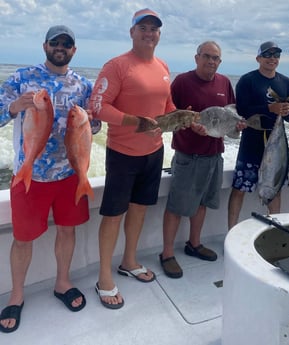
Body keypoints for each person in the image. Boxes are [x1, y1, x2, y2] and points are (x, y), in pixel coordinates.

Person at [0, 25, 95, 333]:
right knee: (23, 238)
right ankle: (16, 295)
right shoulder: (22, 77)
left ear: (74, 50)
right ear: (45, 45)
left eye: (67, 44)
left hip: (69, 174)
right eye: (55, 42)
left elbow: (94, 129)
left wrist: (91, 123)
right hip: (31, 175)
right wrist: (15, 106)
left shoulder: (83, 85)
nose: (61, 47)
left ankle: (62, 283)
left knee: (67, 232)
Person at [90, 8, 177, 308]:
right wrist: (133, 122)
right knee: (113, 215)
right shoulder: (116, 66)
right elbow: (98, 106)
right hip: (123, 154)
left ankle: (129, 261)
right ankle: (104, 276)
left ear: (159, 34)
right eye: (143, 27)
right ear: (132, 32)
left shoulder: (163, 65)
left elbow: (166, 105)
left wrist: (185, 118)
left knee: (139, 210)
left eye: (154, 28)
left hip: (154, 153)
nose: (149, 33)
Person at [159, 41, 239, 278]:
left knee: (202, 203)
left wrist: (238, 125)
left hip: (214, 154)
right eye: (207, 56)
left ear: (220, 62)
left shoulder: (224, 82)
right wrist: (190, 125)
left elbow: (231, 115)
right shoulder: (182, 82)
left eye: (215, 58)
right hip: (188, 155)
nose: (211, 61)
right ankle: (166, 254)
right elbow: (168, 115)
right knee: (176, 206)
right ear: (196, 58)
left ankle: (194, 244)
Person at [228, 41, 289, 230]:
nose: (272, 59)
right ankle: (231, 232)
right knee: (240, 188)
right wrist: (269, 108)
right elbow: (241, 110)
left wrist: (287, 110)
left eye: (276, 55)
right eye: (268, 55)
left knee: (275, 188)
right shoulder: (247, 80)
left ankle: (273, 232)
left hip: (277, 143)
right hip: (252, 141)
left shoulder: (286, 82)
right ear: (258, 58)